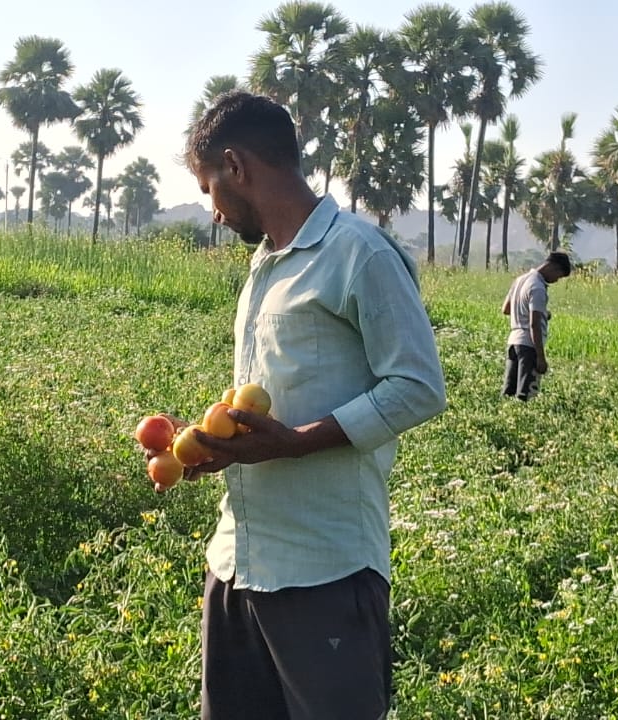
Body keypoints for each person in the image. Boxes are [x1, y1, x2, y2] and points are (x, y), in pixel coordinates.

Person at [165, 91, 447, 720]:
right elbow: (275, 396)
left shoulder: (359, 254)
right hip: (237, 564)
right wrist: (219, 442)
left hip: (324, 571)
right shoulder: (265, 263)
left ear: (235, 166)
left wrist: (295, 444)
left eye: (209, 189)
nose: (213, 211)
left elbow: (418, 385)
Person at [501, 252, 572, 401]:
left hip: (513, 341)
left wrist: (542, 313)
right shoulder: (538, 287)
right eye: (558, 276)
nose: (556, 281)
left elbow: (506, 309)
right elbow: (534, 324)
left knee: (508, 393)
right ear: (553, 267)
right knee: (526, 396)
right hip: (528, 345)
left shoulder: (520, 280)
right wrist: (540, 357)